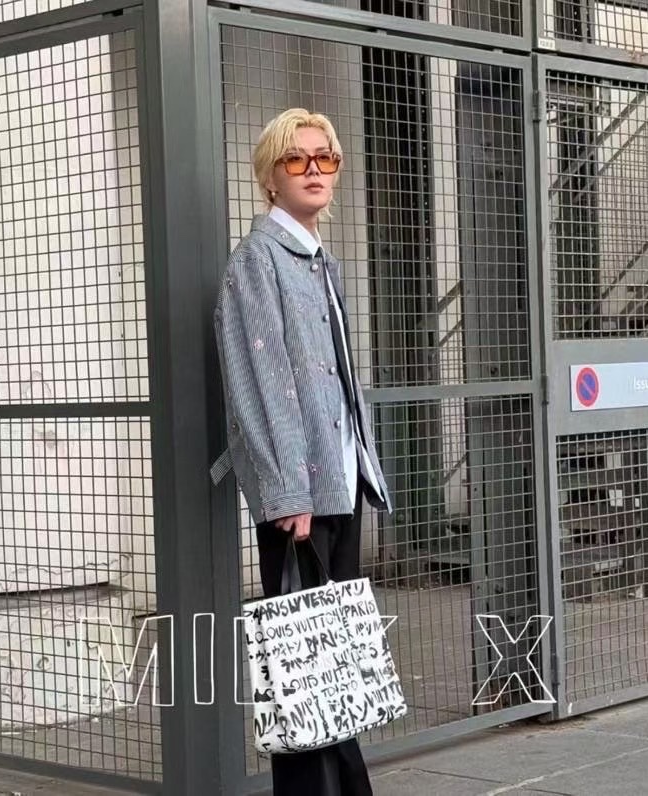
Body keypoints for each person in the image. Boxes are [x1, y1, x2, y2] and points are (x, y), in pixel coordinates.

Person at [211, 108, 392, 796]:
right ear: (270, 176)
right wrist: (287, 492)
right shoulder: (256, 263)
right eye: (297, 159)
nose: (314, 169)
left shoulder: (320, 261)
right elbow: (261, 384)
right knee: (305, 659)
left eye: (326, 158)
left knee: (328, 659)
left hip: (339, 483)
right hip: (302, 496)